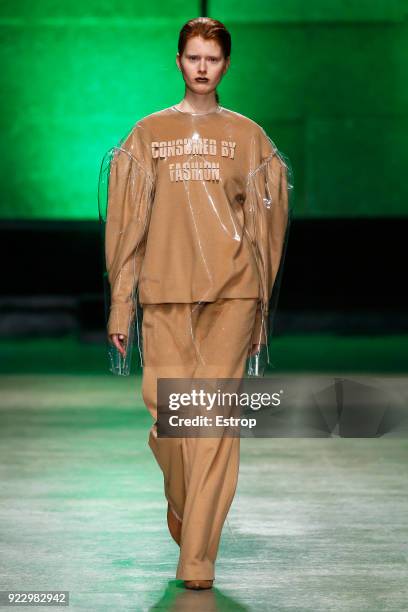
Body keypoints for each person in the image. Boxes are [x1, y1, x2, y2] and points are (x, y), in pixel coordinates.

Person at [99, 17, 292, 590]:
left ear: (226, 64)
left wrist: (260, 311)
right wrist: (120, 304)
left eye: (212, 57)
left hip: (234, 294)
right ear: (178, 61)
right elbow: (128, 226)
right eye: (192, 56)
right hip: (163, 293)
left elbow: (266, 229)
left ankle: (198, 556)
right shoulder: (147, 134)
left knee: (212, 423)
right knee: (170, 420)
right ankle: (187, 507)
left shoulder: (250, 138)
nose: (202, 66)